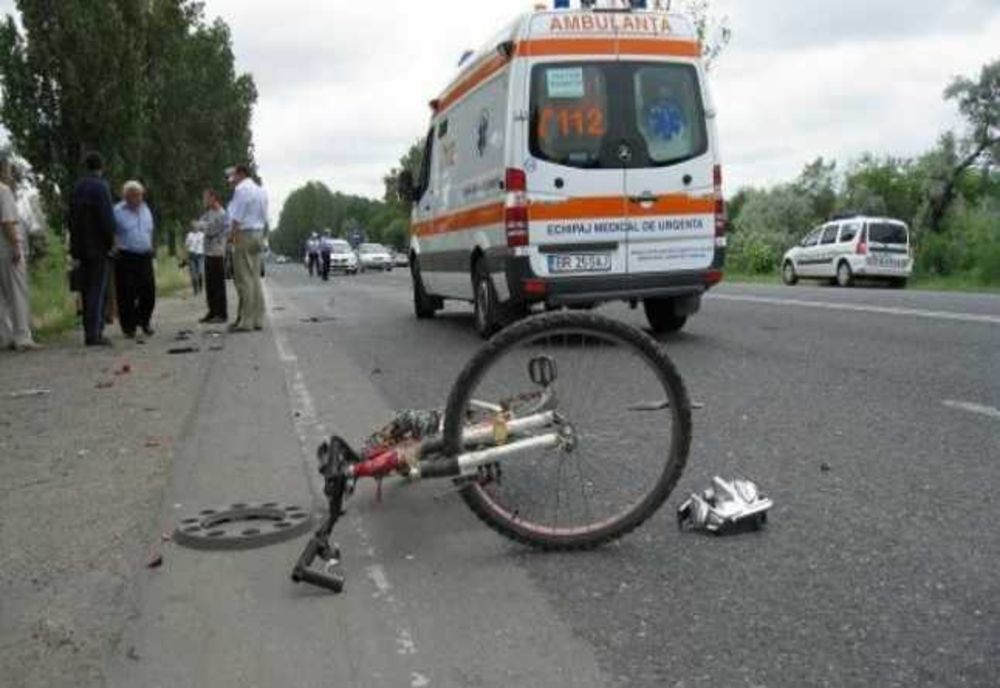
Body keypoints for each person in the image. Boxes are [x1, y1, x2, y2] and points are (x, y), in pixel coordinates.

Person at [69, 152, 116, 347]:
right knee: (98, 288)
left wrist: (74, 246)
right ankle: (94, 333)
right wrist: (111, 240)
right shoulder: (101, 187)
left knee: (87, 289)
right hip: (98, 246)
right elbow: (106, 218)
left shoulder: (77, 187)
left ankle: (89, 330)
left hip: (80, 247)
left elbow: (70, 217)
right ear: (101, 167)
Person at [0, 155, 39, 352]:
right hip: (6, 249)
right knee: (17, 292)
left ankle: (3, 337)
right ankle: (22, 336)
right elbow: (7, 221)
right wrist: (16, 245)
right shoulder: (3, 190)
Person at [227, 164, 268, 332]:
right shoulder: (260, 190)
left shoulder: (241, 190)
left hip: (244, 234)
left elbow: (236, 218)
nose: (232, 179)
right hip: (258, 234)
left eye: (233, 175)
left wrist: (231, 237)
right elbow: (265, 216)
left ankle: (246, 321)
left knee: (244, 280)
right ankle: (259, 319)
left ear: (241, 174)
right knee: (255, 278)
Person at [113, 181, 157, 340]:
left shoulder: (145, 209)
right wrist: (114, 246)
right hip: (126, 255)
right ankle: (129, 327)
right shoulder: (117, 211)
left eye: (140, 195)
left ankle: (144, 320)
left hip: (144, 254)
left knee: (149, 291)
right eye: (135, 196)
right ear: (127, 196)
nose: (139, 199)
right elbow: (111, 231)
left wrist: (151, 245)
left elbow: (149, 230)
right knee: (126, 293)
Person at [196, 189, 229, 324]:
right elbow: (199, 224)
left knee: (218, 285)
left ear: (213, 198)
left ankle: (221, 313)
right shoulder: (209, 213)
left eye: (206, 198)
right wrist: (201, 225)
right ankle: (212, 311)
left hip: (217, 252)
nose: (204, 201)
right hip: (208, 252)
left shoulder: (221, 214)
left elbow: (210, 230)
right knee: (209, 285)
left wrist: (201, 226)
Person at [184, 223, 205, 296]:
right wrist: (185, 257)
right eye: (194, 226)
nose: (195, 227)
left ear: (199, 227)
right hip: (192, 255)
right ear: (192, 227)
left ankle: (200, 287)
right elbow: (186, 246)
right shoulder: (189, 235)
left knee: (200, 273)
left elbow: (205, 245)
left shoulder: (202, 235)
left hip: (200, 255)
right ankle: (195, 290)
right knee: (193, 274)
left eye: (196, 226)